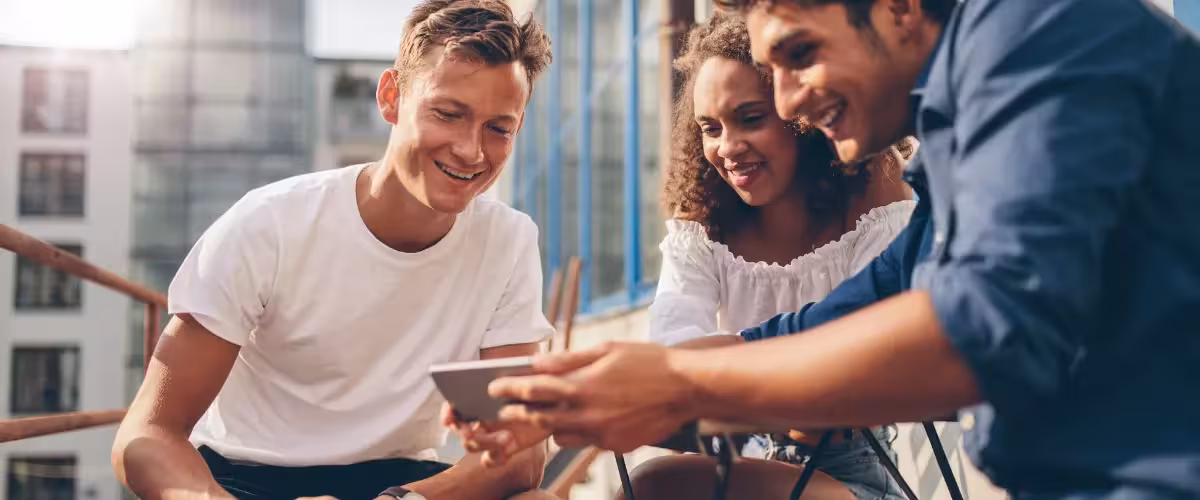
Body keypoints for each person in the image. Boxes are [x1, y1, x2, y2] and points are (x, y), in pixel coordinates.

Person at [473, 0, 1200, 498]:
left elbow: (984, 329)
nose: (789, 102)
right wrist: (619, 379)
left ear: (899, 6)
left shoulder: (1042, 37)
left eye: (800, 53)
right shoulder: (957, 123)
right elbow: (848, 312)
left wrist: (685, 387)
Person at [111, 1, 561, 499]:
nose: (472, 151)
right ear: (391, 98)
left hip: (398, 485)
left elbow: (519, 452)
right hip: (245, 481)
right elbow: (148, 433)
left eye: (499, 128)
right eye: (448, 114)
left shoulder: (508, 240)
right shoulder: (271, 222)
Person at [644, 12, 913, 500]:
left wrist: (727, 376)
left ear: (800, 112)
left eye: (751, 119)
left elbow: (874, 350)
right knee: (648, 484)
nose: (728, 147)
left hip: (851, 470)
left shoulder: (874, 188)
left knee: (654, 484)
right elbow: (673, 346)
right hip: (740, 459)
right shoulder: (703, 220)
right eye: (710, 127)